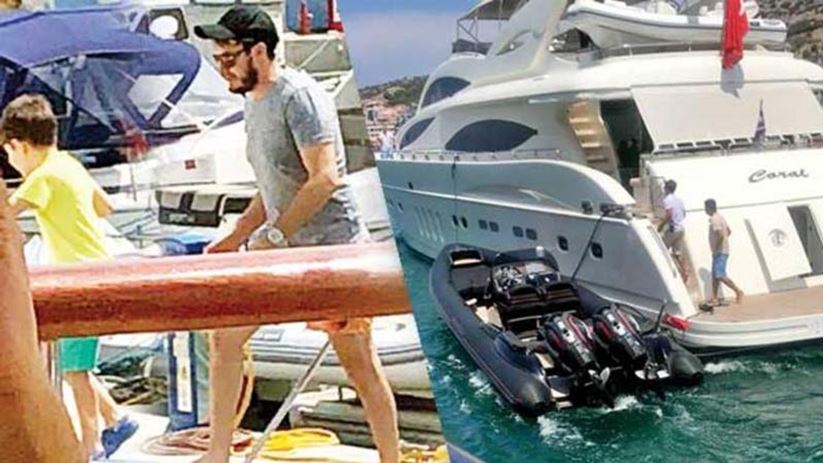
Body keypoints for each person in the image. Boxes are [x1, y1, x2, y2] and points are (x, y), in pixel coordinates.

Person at [193, 7, 400, 463]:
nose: (222, 68)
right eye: (217, 59)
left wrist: (273, 236)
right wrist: (236, 236)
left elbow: (324, 178)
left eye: (228, 58)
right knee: (225, 337)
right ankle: (217, 454)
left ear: (258, 52)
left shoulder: (300, 97)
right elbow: (274, 185)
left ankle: (392, 458)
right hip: (284, 252)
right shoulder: (253, 101)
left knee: (361, 367)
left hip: (332, 251)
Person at [1, 94, 138, 459]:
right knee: (79, 364)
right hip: (100, 269)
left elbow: (5, 217)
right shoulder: (68, 165)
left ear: (18, 145)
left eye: (9, 154)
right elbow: (104, 207)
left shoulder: (41, 177)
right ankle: (116, 419)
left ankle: (91, 444)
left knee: (74, 371)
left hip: (77, 280)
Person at [704, 198, 744, 305]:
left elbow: (721, 235)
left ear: (709, 208)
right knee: (715, 276)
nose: (705, 210)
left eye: (705, 208)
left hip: (720, 251)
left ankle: (738, 291)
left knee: (720, 275)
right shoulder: (720, 217)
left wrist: (717, 246)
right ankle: (714, 298)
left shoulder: (714, 219)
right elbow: (728, 231)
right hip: (721, 250)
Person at [658, 179, 689, 281]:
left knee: (661, 249)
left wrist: (661, 225)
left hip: (673, 229)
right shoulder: (679, 200)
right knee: (677, 253)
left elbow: (669, 214)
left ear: (666, 188)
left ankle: (664, 273)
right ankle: (685, 271)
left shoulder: (667, 200)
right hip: (681, 228)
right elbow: (684, 213)